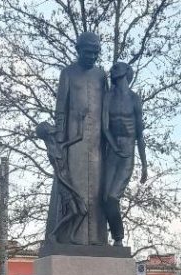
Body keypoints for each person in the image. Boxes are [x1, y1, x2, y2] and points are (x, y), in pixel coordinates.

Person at [47, 31, 107, 245]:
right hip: (74, 142)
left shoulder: (101, 75)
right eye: (88, 52)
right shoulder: (68, 73)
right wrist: (61, 139)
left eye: (95, 53)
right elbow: (60, 109)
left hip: (98, 143)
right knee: (77, 191)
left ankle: (98, 238)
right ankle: (71, 238)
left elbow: (107, 108)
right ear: (79, 50)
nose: (91, 56)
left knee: (99, 192)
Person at [99, 61, 146, 247]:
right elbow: (104, 127)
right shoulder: (108, 97)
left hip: (127, 152)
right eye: (113, 68)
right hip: (113, 151)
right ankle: (109, 238)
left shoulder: (134, 99)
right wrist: (112, 145)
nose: (113, 69)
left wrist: (144, 165)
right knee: (104, 198)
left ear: (127, 72)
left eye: (118, 67)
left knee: (112, 197)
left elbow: (140, 135)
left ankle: (118, 238)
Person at [36, 120, 87, 244]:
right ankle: (53, 234)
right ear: (47, 133)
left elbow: (79, 137)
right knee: (75, 211)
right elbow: (59, 175)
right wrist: (73, 190)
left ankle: (72, 236)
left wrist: (81, 120)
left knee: (83, 211)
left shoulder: (61, 146)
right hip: (63, 184)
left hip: (68, 181)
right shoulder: (51, 152)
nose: (52, 127)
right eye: (49, 126)